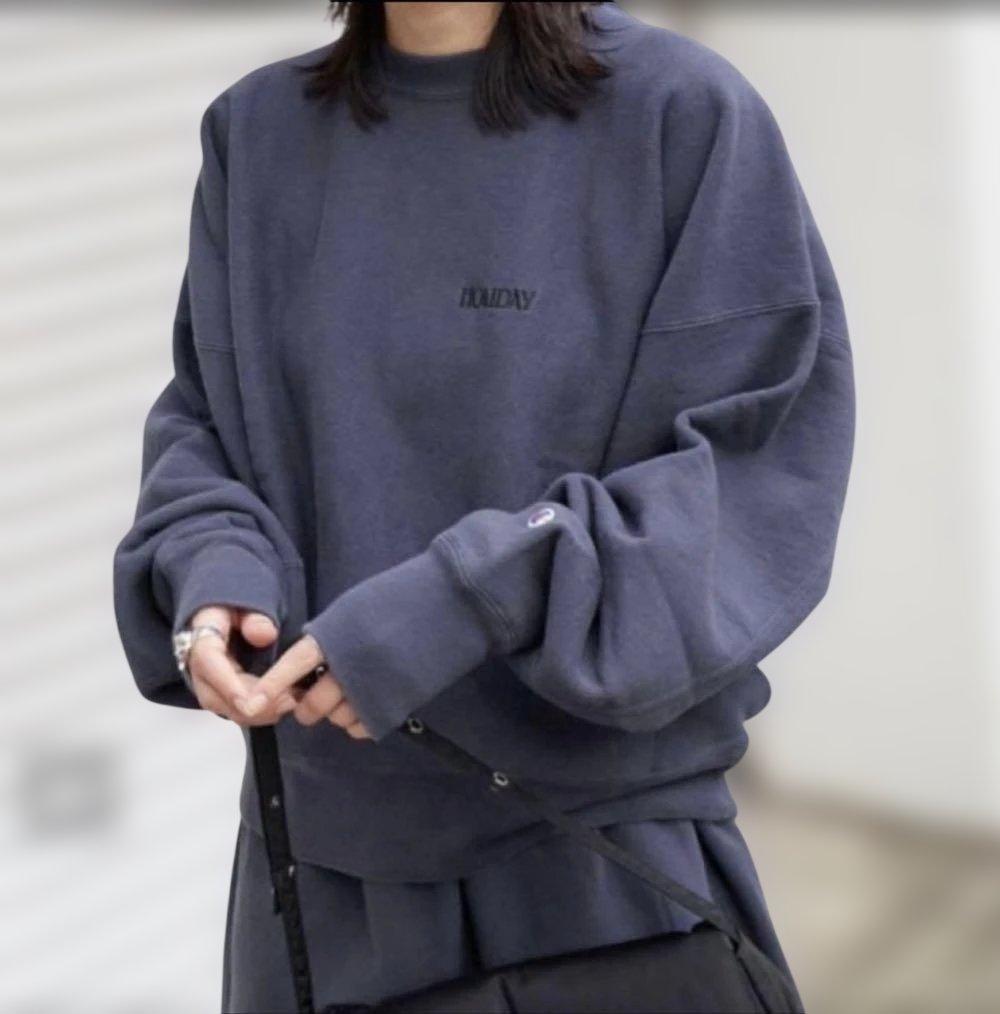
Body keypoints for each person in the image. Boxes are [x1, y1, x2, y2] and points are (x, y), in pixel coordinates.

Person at [112, 2, 856, 1010]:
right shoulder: (256, 134)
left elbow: (744, 476)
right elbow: (205, 429)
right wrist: (214, 579)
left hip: (596, 865)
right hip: (321, 875)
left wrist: (469, 599)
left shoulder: (681, 115)